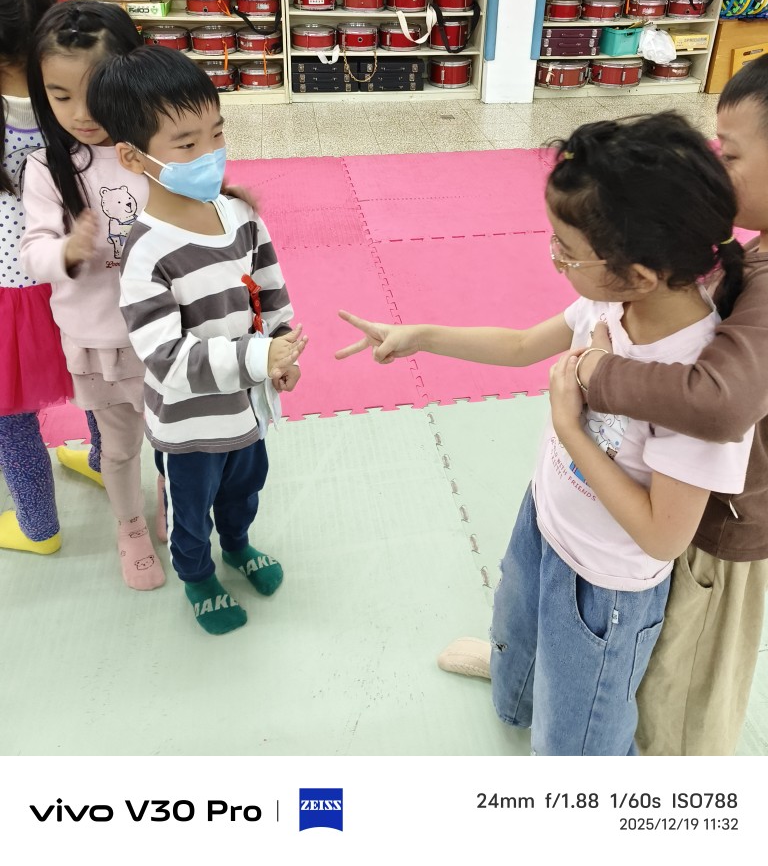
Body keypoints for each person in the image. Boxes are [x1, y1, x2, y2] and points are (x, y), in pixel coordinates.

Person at [335, 112, 753, 756]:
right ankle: (518, 685)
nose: (553, 257)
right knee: (518, 627)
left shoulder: (691, 380)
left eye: (565, 249)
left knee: (576, 742)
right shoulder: (617, 300)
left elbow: (663, 536)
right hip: (547, 517)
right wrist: (420, 336)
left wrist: (569, 427)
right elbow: (523, 344)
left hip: (606, 588)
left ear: (639, 272)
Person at [569, 57, 768, 756]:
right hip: (689, 497)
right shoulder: (752, 249)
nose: (717, 166)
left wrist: (599, 374)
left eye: (730, 154)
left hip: (726, 526)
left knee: (687, 688)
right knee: (656, 645)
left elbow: (721, 403)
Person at [86, 46, 307, 634]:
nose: (209, 153)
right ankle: (198, 576)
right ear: (133, 156)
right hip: (188, 426)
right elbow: (166, 358)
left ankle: (237, 545)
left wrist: (283, 346)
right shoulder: (146, 253)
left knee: (246, 488)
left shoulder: (239, 215)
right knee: (190, 511)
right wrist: (259, 356)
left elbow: (269, 289)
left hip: (249, 406)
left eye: (217, 133)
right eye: (186, 144)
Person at [21, 0, 165, 590]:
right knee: (120, 447)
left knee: (174, 438)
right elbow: (33, 252)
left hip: (165, 334)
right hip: (99, 341)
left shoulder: (154, 150)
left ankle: (173, 504)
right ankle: (129, 526)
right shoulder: (47, 167)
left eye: (95, 92)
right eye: (60, 96)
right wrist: (69, 251)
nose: (81, 114)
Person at [0, 0, 74, 555]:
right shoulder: (71, 97)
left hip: (9, 283)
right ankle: (102, 460)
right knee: (99, 378)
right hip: (78, 268)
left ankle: (39, 527)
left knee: (9, 414)